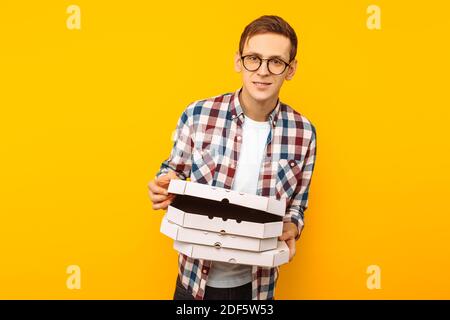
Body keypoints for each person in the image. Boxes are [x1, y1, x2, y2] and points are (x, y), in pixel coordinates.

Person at [148, 15, 317, 300]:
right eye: (254, 58)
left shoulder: (304, 133)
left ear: (291, 69)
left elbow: (297, 207)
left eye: (276, 61)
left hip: (257, 289)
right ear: (239, 61)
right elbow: (172, 171)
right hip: (193, 284)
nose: (262, 71)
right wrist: (164, 186)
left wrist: (292, 226)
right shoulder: (198, 115)